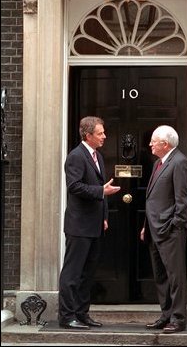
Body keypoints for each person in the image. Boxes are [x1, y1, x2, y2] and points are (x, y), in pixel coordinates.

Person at [58, 116, 121, 329]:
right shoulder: (76, 157)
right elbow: (74, 186)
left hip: (94, 225)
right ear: (88, 135)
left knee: (87, 273)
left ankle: (82, 314)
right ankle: (67, 317)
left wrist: (103, 216)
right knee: (72, 273)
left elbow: (99, 188)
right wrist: (101, 191)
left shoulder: (98, 156)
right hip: (78, 225)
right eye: (100, 133)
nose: (104, 136)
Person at [140, 125, 187, 334]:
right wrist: (146, 226)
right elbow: (152, 199)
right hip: (154, 229)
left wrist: (175, 225)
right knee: (161, 276)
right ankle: (166, 315)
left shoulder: (180, 163)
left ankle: (179, 319)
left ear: (165, 143)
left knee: (175, 276)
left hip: (170, 231)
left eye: (154, 141)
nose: (150, 144)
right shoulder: (158, 164)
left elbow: (183, 200)